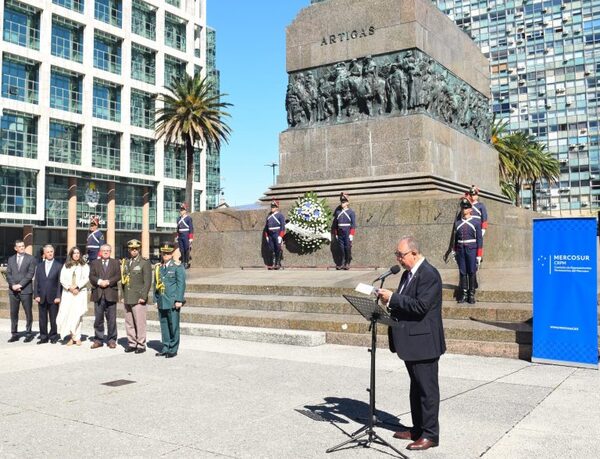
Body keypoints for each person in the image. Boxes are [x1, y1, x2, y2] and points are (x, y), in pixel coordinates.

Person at [378, 236, 446, 451]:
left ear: (414, 253)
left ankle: (431, 434)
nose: (398, 259)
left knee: (427, 391)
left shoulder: (429, 274)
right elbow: (407, 304)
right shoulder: (409, 274)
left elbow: (420, 306)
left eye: (401, 255)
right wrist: (389, 302)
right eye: (397, 254)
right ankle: (417, 428)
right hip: (411, 341)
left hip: (425, 342)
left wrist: (394, 298)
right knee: (415, 389)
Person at [154, 242, 186, 358]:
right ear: (161, 253)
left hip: (173, 301)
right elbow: (156, 284)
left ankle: (173, 348)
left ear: (172, 254)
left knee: (173, 325)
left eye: (168, 253)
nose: (166, 255)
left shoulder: (177, 266)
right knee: (164, 325)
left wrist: (179, 300)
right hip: (162, 300)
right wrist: (156, 299)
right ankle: (165, 346)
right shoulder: (159, 267)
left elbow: (181, 285)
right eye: (164, 253)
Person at [121, 239, 152, 354]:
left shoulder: (144, 262)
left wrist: (143, 296)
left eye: (136, 249)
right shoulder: (127, 262)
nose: (134, 251)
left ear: (139, 249)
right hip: (128, 297)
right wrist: (122, 295)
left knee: (140, 322)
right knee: (129, 322)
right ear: (129, 250)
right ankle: (132, 343)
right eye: (131, 249)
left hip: (138, 298)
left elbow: (147, 281)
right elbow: (123, 281)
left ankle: (141, 344)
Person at [89, 244, 120, 349]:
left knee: (111, 319)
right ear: (100, 252)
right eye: (104, 250)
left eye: (108, 250)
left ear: (110, 252)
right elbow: (91, 276)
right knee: (98, 318)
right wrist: (99, 281)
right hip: (98, 293)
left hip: (111, 293)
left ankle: (111, 339)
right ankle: (98, 339)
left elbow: (118, 275)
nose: (106, 252)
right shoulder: (94, 263)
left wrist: (109, 281)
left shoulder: (115, 262)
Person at [56, 247, 89, 346]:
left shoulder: (84, 266)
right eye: (74, 253)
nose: (76, 255)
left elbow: (86, 278)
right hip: (68, 293)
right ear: (71, 255)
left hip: (80, 293)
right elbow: (62, 279)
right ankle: (72, 337)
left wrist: (77, 287)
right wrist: (70, 288)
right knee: (69, 315)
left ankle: (78, 337)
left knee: (78, 315)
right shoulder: (66, 266)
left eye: (78, 253)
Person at [453, 198, 483, 304]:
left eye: (466, 208)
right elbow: (455, 239)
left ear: (470, 210)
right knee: (462, 272)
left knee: (471, 271)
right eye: (462, 208)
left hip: (472, 249)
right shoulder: (458, 223)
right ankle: (464, 294)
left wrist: (479, 255)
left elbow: (479, 239)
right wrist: (454, 250)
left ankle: (471, 294)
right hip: (461, 250)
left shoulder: (476, 222)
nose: (464, 210)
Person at [6, 240, 36, 343]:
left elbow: (30, 274)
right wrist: (13, 285)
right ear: (15, 248)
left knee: (28, 313)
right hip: (13, 291)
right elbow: (8, 274)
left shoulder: (31, 258)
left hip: (26, 290)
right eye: (20, 246)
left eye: (23, 246)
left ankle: (28, 334)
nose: (22, 248)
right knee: (13, 313)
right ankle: (14, 334)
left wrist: (20, 285)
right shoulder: (10, 259)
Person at [33, 244, 63, 344]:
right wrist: (36, 295)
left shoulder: (59, 266)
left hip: (53, 297)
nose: (50, 253)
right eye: (48, 252)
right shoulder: (39, 266)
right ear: (44, 254)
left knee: (53, 318)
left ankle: (53, 336)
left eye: (51, 252)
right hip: (41, 296)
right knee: (42, 318)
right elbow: (36, 281)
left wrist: (58, 296)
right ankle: (43, 337)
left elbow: (59, 283)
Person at [331, 192, 356, 270]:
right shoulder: (338, 212)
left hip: (347, 232)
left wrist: (351, 234)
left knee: (347, 248)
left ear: (348, 203)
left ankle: (347, 262)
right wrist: (336, 234)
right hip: (340, 232)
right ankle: (341, 263)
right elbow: (335, 224)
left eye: (344, 201)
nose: (342, 203)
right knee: (341, 248)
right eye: (342, 201)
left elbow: (353, 224)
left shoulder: (351, 212)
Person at [263, 199, 286, 270]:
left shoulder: (280, 215)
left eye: (274, 206)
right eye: (272, 206)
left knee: (278, 248)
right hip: (270, 235)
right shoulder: (268, 216)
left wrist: (280, 236)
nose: (272, 208)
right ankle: (272, 263)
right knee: (271, 249)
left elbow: (282, 226)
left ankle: (277, 263)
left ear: (277, 207)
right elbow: (266, 228)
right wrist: (266, 236)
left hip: (277, 233)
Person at [176, 203, 194, 269]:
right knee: (181, 250)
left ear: (185, 211)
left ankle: (186, 262)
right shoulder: (178, 219)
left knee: (186, 249)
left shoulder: (188, 218)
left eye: (182, 210)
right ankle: (182, 262)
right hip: (180, 235)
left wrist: (191, 238)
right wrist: (177, 236)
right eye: (180, 210)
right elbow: (177, 228)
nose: (181, 211)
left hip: (186, 234)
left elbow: (191, 228)